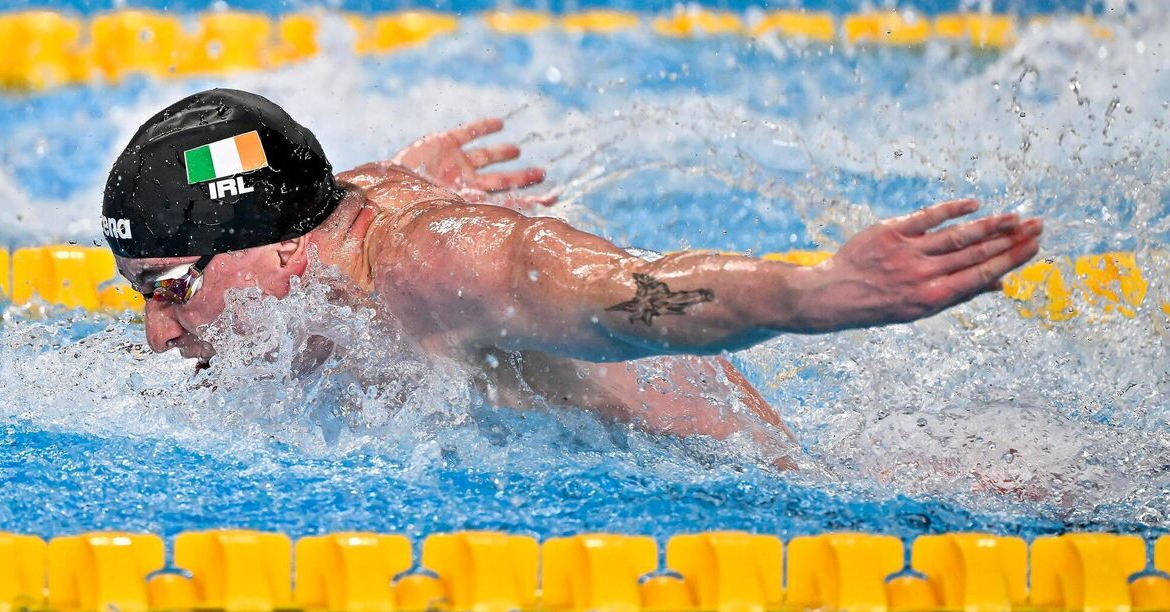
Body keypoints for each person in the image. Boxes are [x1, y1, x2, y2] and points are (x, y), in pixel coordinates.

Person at [103, 89, 1042, 468]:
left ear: (283, 249)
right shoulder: (317, 228)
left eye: (170, 286)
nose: (156, 330)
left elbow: (634, 294)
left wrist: (815, 294)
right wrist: (418, 170)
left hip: (750, 485)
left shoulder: (439, 267)